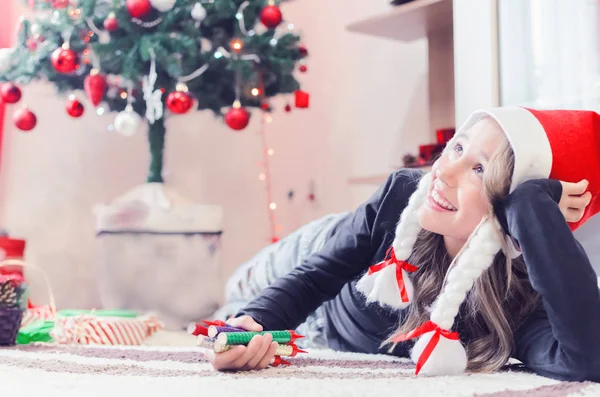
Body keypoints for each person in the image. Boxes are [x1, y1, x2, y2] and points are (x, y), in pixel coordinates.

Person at [207, 107, 600, 381]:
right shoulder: (403, 195)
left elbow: (585, 360)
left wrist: (532, 203)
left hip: (321, 337)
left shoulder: (518, 298)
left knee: (229, 316)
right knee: (235, 296)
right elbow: (315, 277)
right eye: (458, 148)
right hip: (315, 260)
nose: (443, 171)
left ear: (512, 209)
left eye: (479, 169)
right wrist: (253, 322)